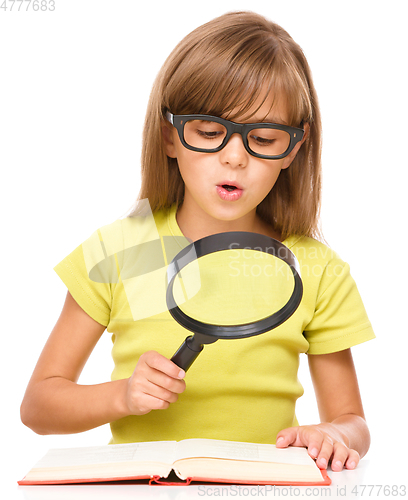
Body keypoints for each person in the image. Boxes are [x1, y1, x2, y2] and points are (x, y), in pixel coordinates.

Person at [20, 11, 375, 473]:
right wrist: (122, 395)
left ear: (292, 147)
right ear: (170, 136)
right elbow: (38, 407)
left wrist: (333, 435)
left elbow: (352, 422)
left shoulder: (316, 269)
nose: (234, 158)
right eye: (209, 132)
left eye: (264, 138)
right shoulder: (124, 250)